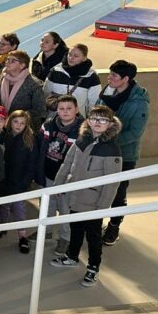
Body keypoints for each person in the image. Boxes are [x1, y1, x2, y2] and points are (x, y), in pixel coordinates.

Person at [50, 106, 123, 287]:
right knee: (75, 228)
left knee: (93, 236)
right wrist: (58, 185)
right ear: (88, 121)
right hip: (75, 196)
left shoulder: (111, 148)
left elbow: (112, 182)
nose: (98, 122)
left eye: (103, 120)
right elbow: (67, 163)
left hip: (93, 202)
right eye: (94, 118)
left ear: (110, 124)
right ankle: (72, 256)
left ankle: (93, 267)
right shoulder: (82, 139)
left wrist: (103, 207)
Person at [97, 60, 150, 246]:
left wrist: (109, 141)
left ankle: (114, 226)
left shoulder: (139, 103)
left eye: (114, 75)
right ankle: (95, 222)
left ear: (126, 79)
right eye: (110, 73)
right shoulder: (107, 92)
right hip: (100, 150)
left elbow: (135, 132)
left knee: (118, 193)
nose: (109, 78)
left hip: (123, 155)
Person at [35, 95, 85, 256]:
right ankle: (47, 230)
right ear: (57, 110)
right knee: (46, 205)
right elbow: (39, 147)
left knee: (65, 209)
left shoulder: (83, 131)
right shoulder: (48, 125)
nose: (65, 112)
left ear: (76, 109)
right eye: (61, 108)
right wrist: (38, 171)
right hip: (48, 173)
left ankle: (65, 238)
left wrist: (70, 178)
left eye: (69, 108)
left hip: (67, 178)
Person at [2, 110, 38, 253]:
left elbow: (32, 164)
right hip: (4, 178)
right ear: (10, 121)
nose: (18, 125)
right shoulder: (5, 136)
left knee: (19, 208)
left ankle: (22, 236)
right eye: (16, 121)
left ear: (26, 125)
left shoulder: (29, 139)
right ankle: (2, 226)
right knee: (3, 205)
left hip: (19, 181)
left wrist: (25, 182)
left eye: (22, 123)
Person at [0, 50, 47, 131]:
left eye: (13, 61)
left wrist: (16, 118)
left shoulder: (34, 84)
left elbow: (40, 110)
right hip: (0, 127)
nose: (7, 62)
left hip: (24, 129)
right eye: (7, 59)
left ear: (22, 65)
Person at [44, 43, 102, 118]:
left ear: (84, 58)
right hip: (53, 119)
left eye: (76, 56)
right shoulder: (55, 71)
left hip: (78, 120)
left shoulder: (92, 76)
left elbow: (94, 103)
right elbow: (45, 93)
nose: (71, 58)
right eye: (70, 54)